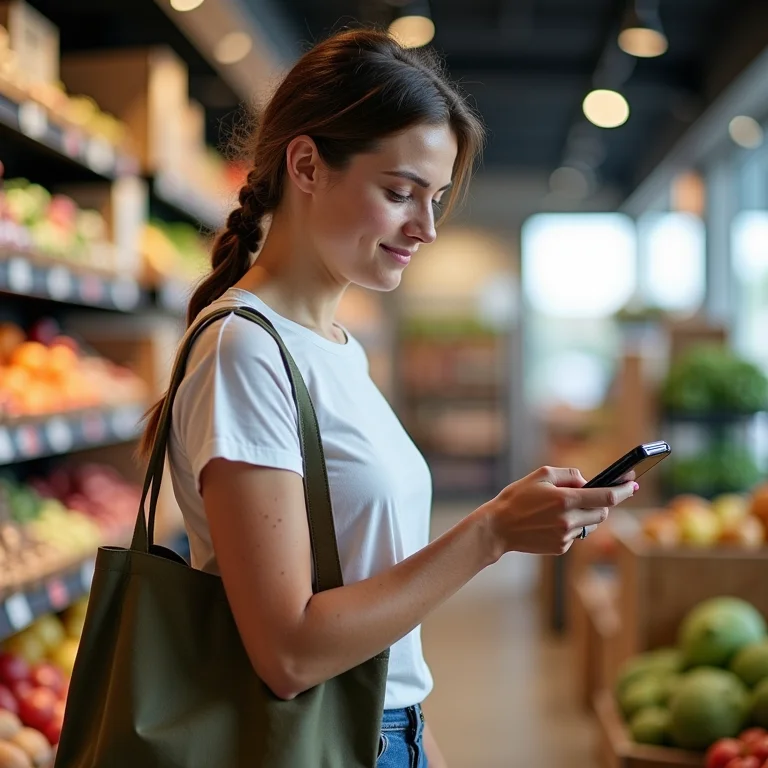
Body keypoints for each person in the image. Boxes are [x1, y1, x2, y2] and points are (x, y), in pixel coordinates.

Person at [139, 26, 637, 768]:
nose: (427, 227)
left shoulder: (338, 348)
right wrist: (491, 531)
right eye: (400, 193)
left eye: (434, 198)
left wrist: (418, 735)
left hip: (383, 728)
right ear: (306, 164)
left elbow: (372, 605)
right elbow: (290, 652)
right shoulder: (244, 351)